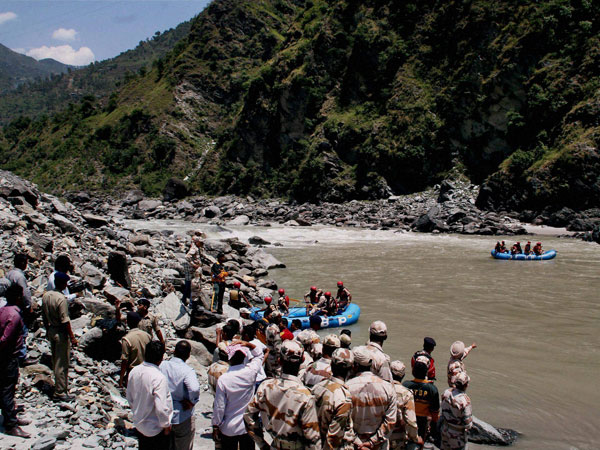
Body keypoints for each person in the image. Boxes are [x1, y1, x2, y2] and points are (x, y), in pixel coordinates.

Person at [244, 340, 322, 449]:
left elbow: (248, 416)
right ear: (303, 360)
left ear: (279, 361)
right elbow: (313, 439)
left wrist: (262, 444)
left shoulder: (265, 387)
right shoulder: (306, 396)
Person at [213, 340, 265, 449]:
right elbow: (259, 355)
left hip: (229, 426)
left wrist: (216, 425)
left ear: (229, 358)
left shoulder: (224, 379)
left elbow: (219, 406)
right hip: (248, 425)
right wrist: (248, 344)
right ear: (244, 356)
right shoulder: (251, 371)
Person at [346, 346, 397, 449]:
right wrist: (372, 442)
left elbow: (344, 420)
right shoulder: (388, 388)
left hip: (353, 445)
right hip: (378, 445)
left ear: (355, 365)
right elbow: (390, 421)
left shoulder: (347, 388)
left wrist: (358, 442)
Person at [127, 341, 173, 450]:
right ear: (161, 358)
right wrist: (166, 425)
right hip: (155, 428)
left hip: (139, 424)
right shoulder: (158, 377)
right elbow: (161, 407)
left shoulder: (134, 371)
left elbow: (130, 397)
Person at [0, 284, 31, 438]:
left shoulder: (3, 310)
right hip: (9, 356)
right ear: (18, 297)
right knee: (8, 389)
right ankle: (10, 424)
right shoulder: (15, 315)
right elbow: (5, 339)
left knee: (6, 388)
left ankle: (11, 416)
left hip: (5, 356)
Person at [41, 272, 77, 401]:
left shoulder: (46, 296)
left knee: (55, 360)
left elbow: (44, 316)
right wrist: (72, 337)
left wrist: (48, 330)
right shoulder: (61, 299)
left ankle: (59, 388)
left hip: (51, 330)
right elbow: (65, 320)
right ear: (62, 284)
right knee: (62, 363)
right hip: (60, 333)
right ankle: (60, 392)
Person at [311, 348, 356, 449]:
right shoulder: (344, 398)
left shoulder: (317, 387)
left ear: (331, 365)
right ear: (352, 368)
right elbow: (333, 439)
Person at [159, 340, 199, 450]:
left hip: (163, 413)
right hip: (181, 414)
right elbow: (194, 388)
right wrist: (192, 402)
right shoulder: (187, 370)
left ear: (174, 351)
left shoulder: (162, 365)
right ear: (188, 355)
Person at [403, 360, 440, 444]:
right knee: (420, 441)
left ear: (413, 372)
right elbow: (435, 412)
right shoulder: (432, 389)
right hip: (423, 421)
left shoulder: (406, 385)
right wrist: (434, 426)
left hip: (407, 418)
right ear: (426, 373)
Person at [6, 253, 33, 364]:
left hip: (9, 304)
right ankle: (22, 356)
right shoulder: (20, 276)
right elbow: (24, 293)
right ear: (22, 263)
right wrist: (28, 306)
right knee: (21, 331)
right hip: (19, 306)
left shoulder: (9, 273)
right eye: (25, 262)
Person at [389, 361, 421, 449]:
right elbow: (411, 421)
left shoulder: (382, 388)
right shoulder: (406, 394)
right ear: (403, 375)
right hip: (397, 439)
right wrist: (415, 438)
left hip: (380, 438)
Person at [440, 372, 473, 450]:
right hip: (457, 434)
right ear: (466, 385)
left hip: (445, 429)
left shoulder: (446, 392)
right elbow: (468, 424)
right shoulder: (465, 401)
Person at [119, 312, 152, 388]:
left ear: (127, 322)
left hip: (133, 373)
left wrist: (121, 379)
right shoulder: (147, 336)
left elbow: (124, 361)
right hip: (147, 371)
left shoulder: (126, 339)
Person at [183, 236, 203, 306]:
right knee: (193, 286)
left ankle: (188, 301)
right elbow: (187, 257)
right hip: (193, 271)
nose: (202, 244)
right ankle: (192, 303)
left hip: (195, 270)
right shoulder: (194, 248)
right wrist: (193, 264)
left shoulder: (197, 248)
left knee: (192, 285)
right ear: (197, 242)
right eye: (201, 243)